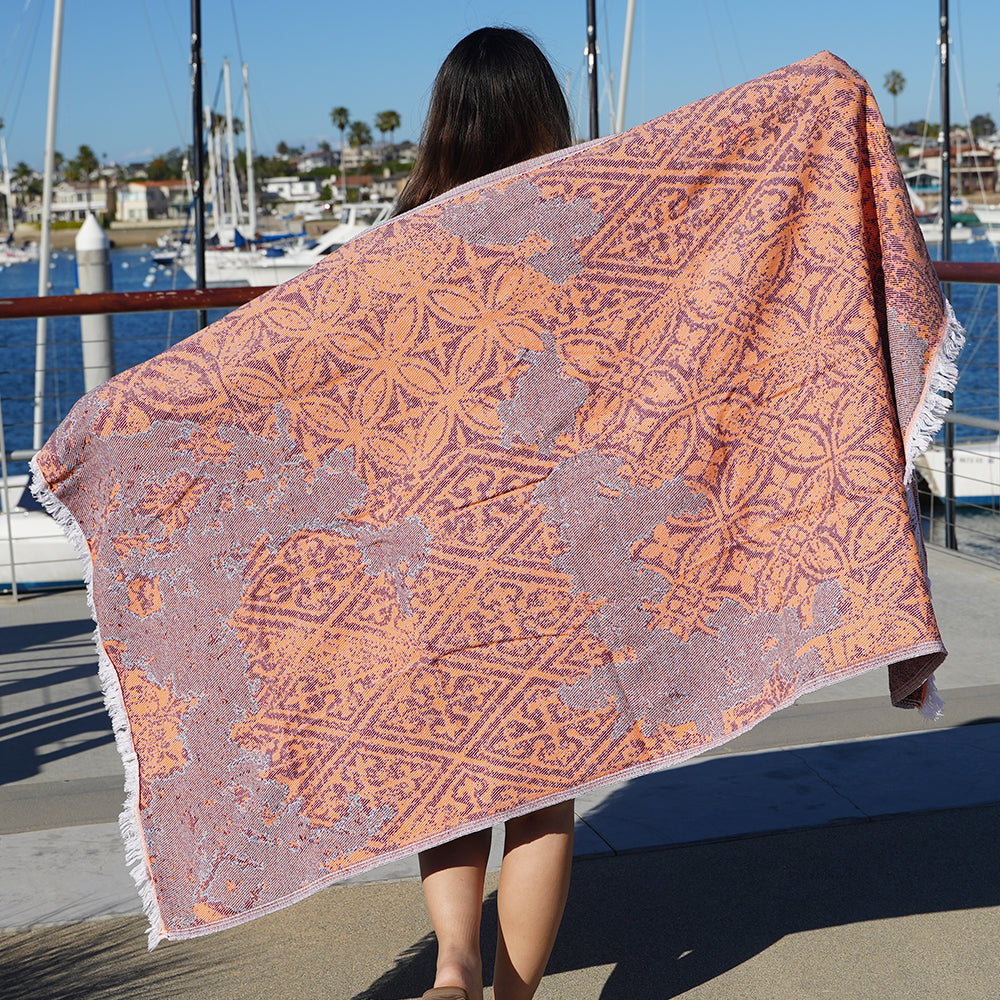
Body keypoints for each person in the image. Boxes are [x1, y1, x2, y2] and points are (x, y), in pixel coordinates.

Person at [394, 27, 576, 1000]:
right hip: (546, 545)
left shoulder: (399, 244)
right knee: (541, 790)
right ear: (543, 113)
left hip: (438, 548)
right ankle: (511, 997)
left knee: (453, 770)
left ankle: (454, 966)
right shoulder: (575, 228)